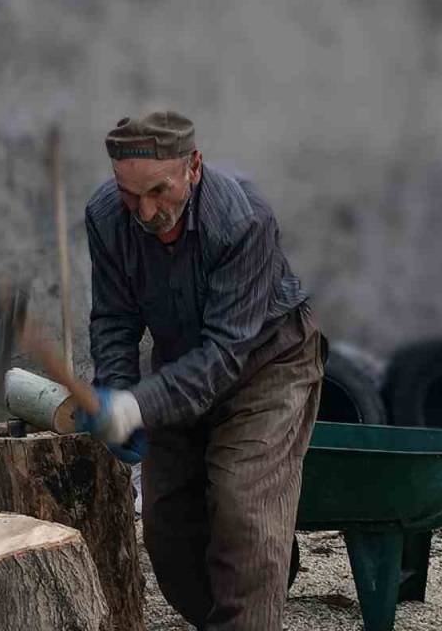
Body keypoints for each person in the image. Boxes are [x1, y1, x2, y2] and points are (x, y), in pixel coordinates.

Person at [78, 110, 327, 629]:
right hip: (179, 365)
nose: (145, 211)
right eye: (130, 195)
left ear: (193, 166)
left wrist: (136, 404)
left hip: (266, 363)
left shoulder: (242, 219)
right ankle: (253, 588)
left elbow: (223, 355)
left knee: (244, 510)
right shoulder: (106, 217)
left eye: (158, 192)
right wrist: (116, 385)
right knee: (167, 526)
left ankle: (256, 586)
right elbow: (115, 317)